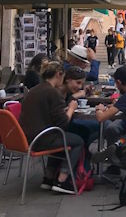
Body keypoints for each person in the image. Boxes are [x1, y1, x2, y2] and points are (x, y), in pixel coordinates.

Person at [19, 62, 83, 194]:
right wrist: (71, 109)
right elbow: (63, 123)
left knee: (60, 137)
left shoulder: (35, 89)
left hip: (27, 137)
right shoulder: (53, 92)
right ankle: (62, 180)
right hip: (40, 139)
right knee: (77, 141)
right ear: (59, 74)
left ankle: (48, 178)